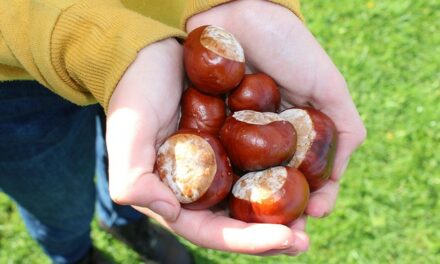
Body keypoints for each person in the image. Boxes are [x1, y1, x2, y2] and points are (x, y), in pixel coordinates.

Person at [0, 0, 366, 263]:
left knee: (132, 162)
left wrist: (237, 4)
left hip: (164, 39)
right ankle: (73, 254)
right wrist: (104, 48)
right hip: (14, 80)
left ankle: (127, 223)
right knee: (57, 200)